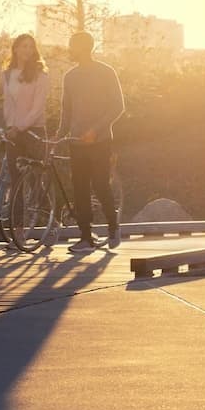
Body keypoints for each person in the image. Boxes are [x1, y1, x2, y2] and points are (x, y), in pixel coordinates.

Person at [58, 31, 126, 253]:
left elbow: (118, 106)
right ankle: (85, 237)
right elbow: (66, 111)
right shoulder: (70, 76)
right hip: (76, 142)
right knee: (79, 190)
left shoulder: (106, 72)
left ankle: (113, 226)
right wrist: (59, 135)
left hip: (100, 141)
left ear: (85, 47)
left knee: (100, 185)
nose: (70, 49)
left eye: (72, 45)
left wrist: (95, 130)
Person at [3, 34, 50, 201]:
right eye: (24, 46)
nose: (28, 50)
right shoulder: (8, 74)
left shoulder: (40, 75)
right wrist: (9, 127)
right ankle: (19, 226)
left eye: (31, 46)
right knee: (16, 180)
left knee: (34, 181)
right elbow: (8, 104)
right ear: (15, 48)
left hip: (34, 133)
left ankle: (48, 218)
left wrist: (19, 127)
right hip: (13, 134)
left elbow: (37, 109)